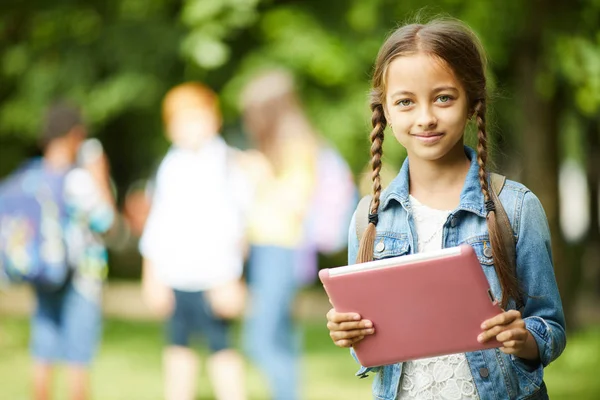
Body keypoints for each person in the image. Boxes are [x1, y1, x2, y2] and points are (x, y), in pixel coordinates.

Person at [325, 19, 566, 400]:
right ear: (385, 111)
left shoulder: (516, 208)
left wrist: (524, 339)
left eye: (443, 98)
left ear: (472, 102)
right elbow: (369, 349)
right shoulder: (367, 219)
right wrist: (349, 333)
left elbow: (550, 326)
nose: (425, 118)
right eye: (405, 102)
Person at [139, 82, 248, 400]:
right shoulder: (170, 166)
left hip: (216, 276)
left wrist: (233, 277)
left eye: (195, 118)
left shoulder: (227, 164)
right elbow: (158, 225)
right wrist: (151, 275)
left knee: (222, 351)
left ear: (213, 120)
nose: (188, 128)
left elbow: (238, 227)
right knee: (178, 350)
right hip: (176, 275)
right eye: (179, 121)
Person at [0, 102, 116, 400]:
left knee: (43, 352)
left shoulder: (30, 177)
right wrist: (100, 175)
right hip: (81, 280)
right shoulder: (78, 179)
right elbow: (107, 222)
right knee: (78, 357)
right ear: (76, 135)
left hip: (43, 275)